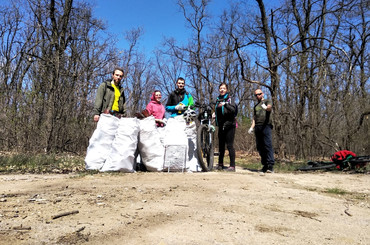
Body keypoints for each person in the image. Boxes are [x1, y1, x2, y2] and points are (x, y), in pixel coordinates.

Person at [248, 88, 275, 173]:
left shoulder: (267, 101)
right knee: (260, 147)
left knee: (267, 145)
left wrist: (266, 107)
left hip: (266, 125)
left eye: (259, 94)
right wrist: (252, 127)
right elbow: (254, 118)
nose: (257, 96)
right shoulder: (256, 106)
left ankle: (270, 165)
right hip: (258, 127)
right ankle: (265, 165)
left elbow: (269, 108)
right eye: (256, 95)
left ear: (262, 94)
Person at [215, 83, 237, 172]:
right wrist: (214, 114)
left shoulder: (230, 99)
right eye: (220, 88)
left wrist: (225, 104)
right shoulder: (217, 99)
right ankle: (220, 164)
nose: (222, 90)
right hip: (221, 125)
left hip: (230, 125)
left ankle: (232, 166)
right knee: (221, 146)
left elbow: (233, 110)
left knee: (230, 145)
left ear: (227, 90)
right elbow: (218, 111)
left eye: (224, 88)